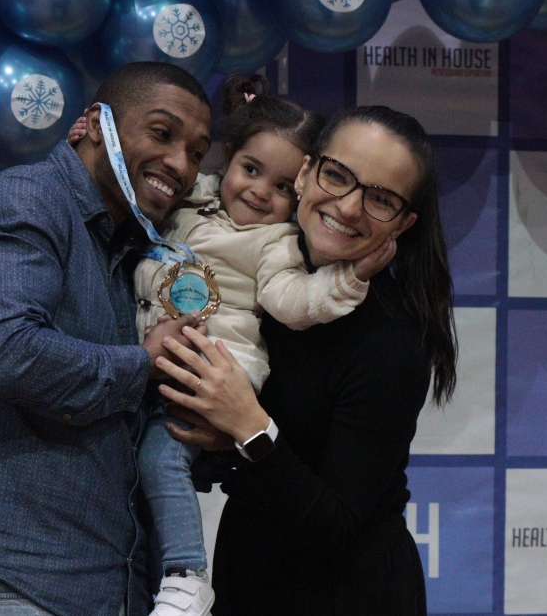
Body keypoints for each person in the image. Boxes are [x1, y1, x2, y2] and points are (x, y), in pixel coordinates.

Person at [0, 62, 214, 616]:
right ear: (96, 124)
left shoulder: (135, 252)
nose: (180, 164)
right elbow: (5, 353)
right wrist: (143, 362)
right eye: (161, 133)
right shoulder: (26, 198)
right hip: (10, 582)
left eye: (196, 152)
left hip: (108, 589)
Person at [152, 106, 458, 615]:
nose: (349, 206)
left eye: (380, 199)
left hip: (348, 594)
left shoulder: (391, 338)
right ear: (305, 173)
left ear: (404, 223)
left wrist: (248, 425)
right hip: (248, 574)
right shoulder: (258, 271)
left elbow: (338, 526)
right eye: (337, 175)